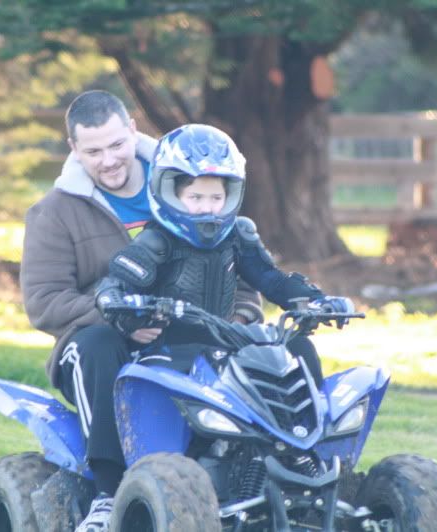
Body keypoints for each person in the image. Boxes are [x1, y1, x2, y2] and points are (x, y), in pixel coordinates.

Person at [20, 92, 262, 532]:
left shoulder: (189, 184)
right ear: (73, 148)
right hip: (99, 345)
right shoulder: (54, 213)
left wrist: (239, 321)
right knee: (98, 345)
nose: (109, 160)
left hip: (196, 334)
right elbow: (44, 302)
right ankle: (107, 493)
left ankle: (290, 480)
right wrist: (123, 318)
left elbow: (240, 271)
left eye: (117, 145)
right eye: (93, 151)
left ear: (133, 130)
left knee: (276, 352)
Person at [95, 122, 354, 413]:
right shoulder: (156, 241)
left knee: (298, 348)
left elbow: (272, 280)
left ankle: (305, 432)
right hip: (167, 350)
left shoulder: (237, 237)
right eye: (196, 198)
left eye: (216, 198)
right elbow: (116, 284)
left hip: (226, 344)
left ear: (230, 195)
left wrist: (318, 301)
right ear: (169, 193)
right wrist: (119, 304)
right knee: (161, 386)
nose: (207, 207)